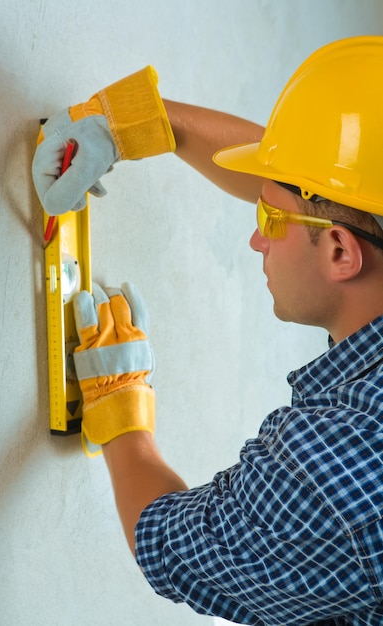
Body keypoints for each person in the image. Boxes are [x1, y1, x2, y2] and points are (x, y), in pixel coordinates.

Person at [32, 36, 383, 625]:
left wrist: (121, 410)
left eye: (269, 220)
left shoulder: (340, 472)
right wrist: (134, 122)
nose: (256, 238)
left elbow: (177, 546)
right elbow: (320, 196)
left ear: (344, 253)